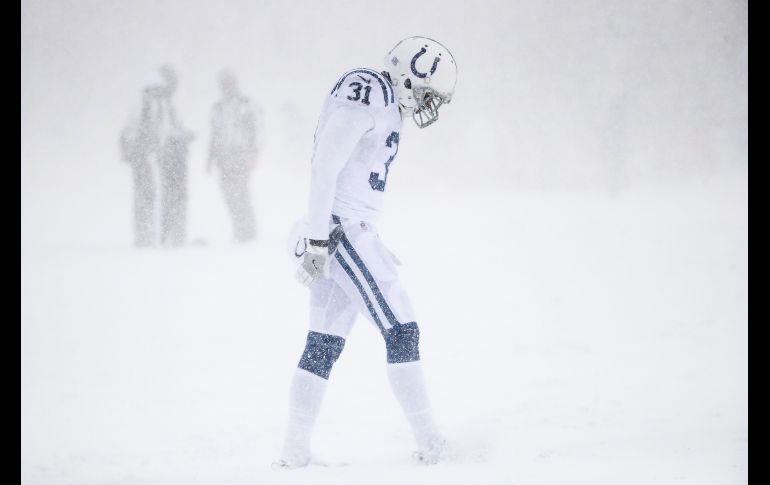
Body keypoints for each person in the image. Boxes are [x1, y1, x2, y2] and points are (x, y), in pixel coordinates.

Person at [276, 37, 458, 468]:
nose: (429, 104)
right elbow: (325, 165)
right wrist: (320, 240)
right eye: (429, 92)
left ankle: (294, 451)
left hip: (348, 230)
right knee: (402, 328)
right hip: (341, 232)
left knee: (322, 344)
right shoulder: (370, 90)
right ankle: (431, 443)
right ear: (411, 75)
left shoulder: (389, 101)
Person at [120, 65, 194, 247]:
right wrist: (143, 150)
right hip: (151, 157)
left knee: (162, 195)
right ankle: (151, 236)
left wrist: (182, 136)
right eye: (173, 83)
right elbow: (154, 132)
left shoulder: (165, 104)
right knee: (152, 195)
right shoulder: (150, 104)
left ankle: (165, 235)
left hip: (164, 157)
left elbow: (168, 131)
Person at [207, 70, 260, 242]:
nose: (225, 87)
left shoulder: (245, 104)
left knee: (242, 193)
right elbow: (214, 134)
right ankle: (239, 229)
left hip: (240, 156)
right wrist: (209, 158)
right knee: (228, 195)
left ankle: (248, 231)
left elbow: (255, 130)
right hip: (223, 158)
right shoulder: (218, 108)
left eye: (227, 83)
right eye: (223, 84)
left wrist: (253, 153)